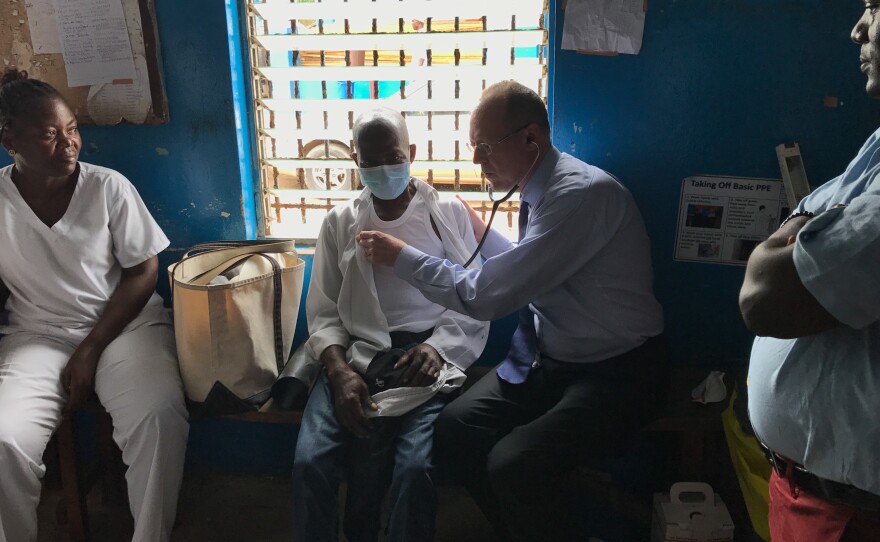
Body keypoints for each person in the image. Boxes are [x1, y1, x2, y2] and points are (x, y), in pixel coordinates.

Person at [356, 81, 667, 541]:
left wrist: (402, 256)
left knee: (514, 464)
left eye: (484, 148)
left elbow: (490, 297)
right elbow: (535, 261)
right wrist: (482, 231)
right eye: (472, 148)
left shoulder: (578, 195)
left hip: (617, 370)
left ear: (531, 139)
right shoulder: (540, 188)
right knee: (455, 430)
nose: (477, 162)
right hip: (551, 359)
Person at [0, 69, 188, 542]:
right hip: (38, 336)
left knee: (158, 417)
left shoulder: (107, 188)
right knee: (4, 439)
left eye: (72, 130)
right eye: (48, 135)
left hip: (125, 329)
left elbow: (144, 270)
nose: (69, 145)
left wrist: (90, 348)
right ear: (9, 140)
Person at [292, 107, 489, 542]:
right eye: (371, 161)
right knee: (310, 463)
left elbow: (472, 296)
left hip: (425, 357)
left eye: (393, 157)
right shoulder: (340, 222)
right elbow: (324, 310)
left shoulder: (446, 213)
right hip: (357, 354)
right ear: (356, 163)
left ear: (412, 153)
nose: (384, 169)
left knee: (415, 470)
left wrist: (438, 348)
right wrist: (339, 372)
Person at [739, 7, 880, 541]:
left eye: (875, 7)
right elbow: (807, 212)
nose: (858, 28)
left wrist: (795, 228)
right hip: (810, 490)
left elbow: (766, 297)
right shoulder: (878, 144)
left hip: (853, 516)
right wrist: (803, 224)